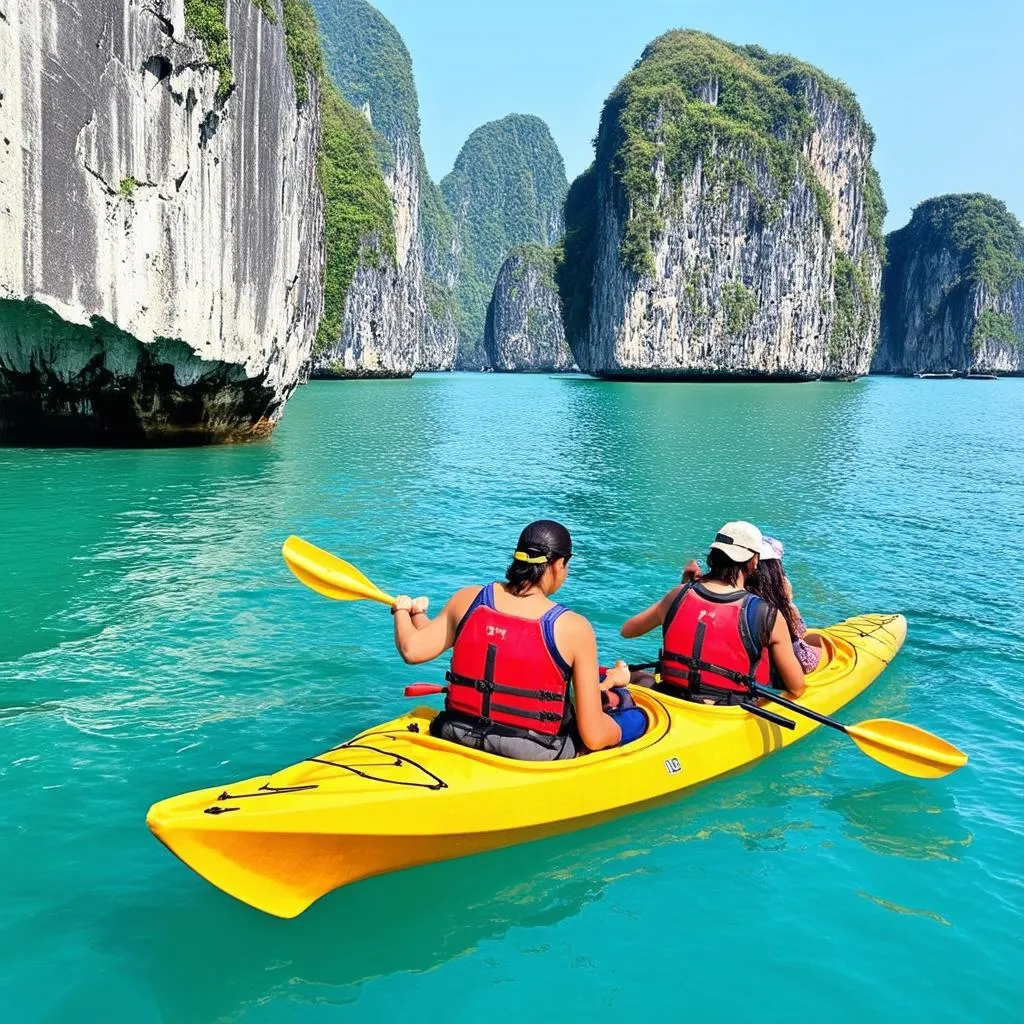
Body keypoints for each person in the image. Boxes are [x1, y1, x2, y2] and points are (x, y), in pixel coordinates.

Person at [391, 519, 647, 761]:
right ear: (559, 565)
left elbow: (412, 649)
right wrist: (633, 722)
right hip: (531, 752)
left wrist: (403, 610)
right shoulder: (573, 627)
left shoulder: (469, 599)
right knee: (628, 708)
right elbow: (593, 737)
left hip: (455, 731)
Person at [619, 521, 807, 704]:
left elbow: (627, 631)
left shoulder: (678, 594)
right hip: (729, 708)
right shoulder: (766, 613)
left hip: (672, 695)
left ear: (714, 555)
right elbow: (797, 687)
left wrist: (682, 588)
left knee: (637, 676)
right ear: (754, 560)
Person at [747, 536, 823, 674]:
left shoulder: (741, 596)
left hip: (757, 659)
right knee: (821, 651)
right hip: (789, 660)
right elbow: (799, 630)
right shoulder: (778, 604)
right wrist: (789, 602)